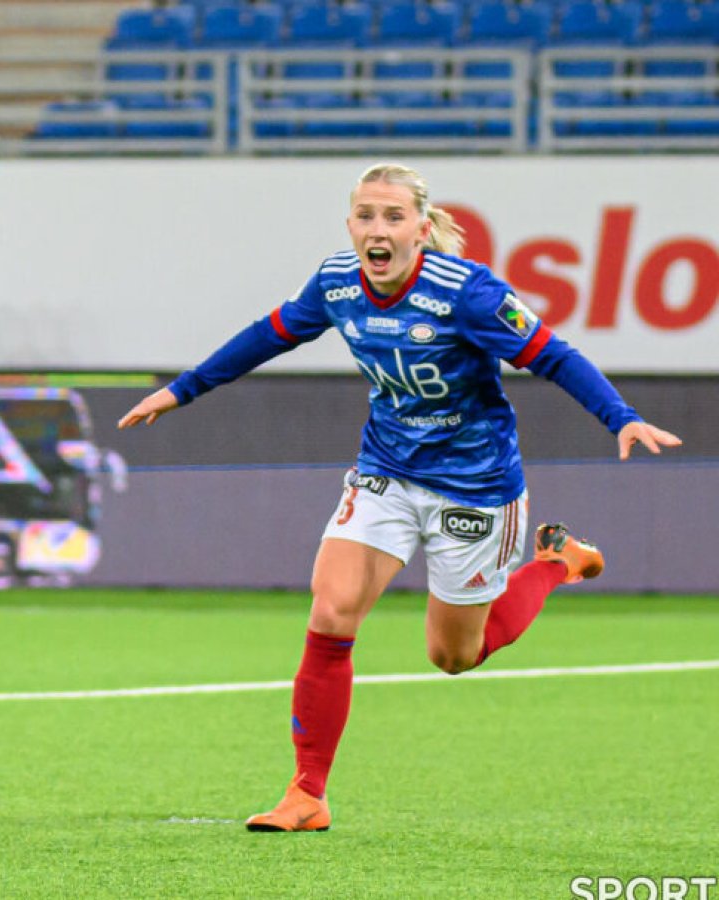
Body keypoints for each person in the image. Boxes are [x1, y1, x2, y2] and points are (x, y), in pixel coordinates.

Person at [118, 162, 682, 833]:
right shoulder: (336, 282)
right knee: (331, 612)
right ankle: (307, 793)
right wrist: (182, 389)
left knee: (453, 658)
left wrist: (620, 416)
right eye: (364, 216)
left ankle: (557, 563)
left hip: (475, 486)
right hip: (386, 472)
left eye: (391, 217)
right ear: (350, 224)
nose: (376, 230)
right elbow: (270, 334)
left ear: (421, 227)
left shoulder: (467, 293)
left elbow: (552, 355)